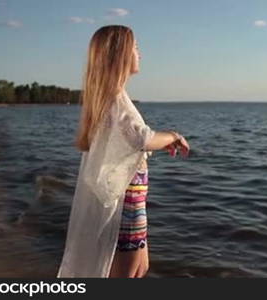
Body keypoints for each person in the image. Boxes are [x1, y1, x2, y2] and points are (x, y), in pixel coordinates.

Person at [57, 25, 190, 278]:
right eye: (136, 47)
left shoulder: (111, 97)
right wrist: (173, 136)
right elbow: (141, 138)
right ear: (119, 54)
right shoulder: (115, 98)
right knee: (127, 272)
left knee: (139, 267)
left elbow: (129, 142)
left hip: (133, 199)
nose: (141, 53)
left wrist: (162, 142)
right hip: (127, 201)